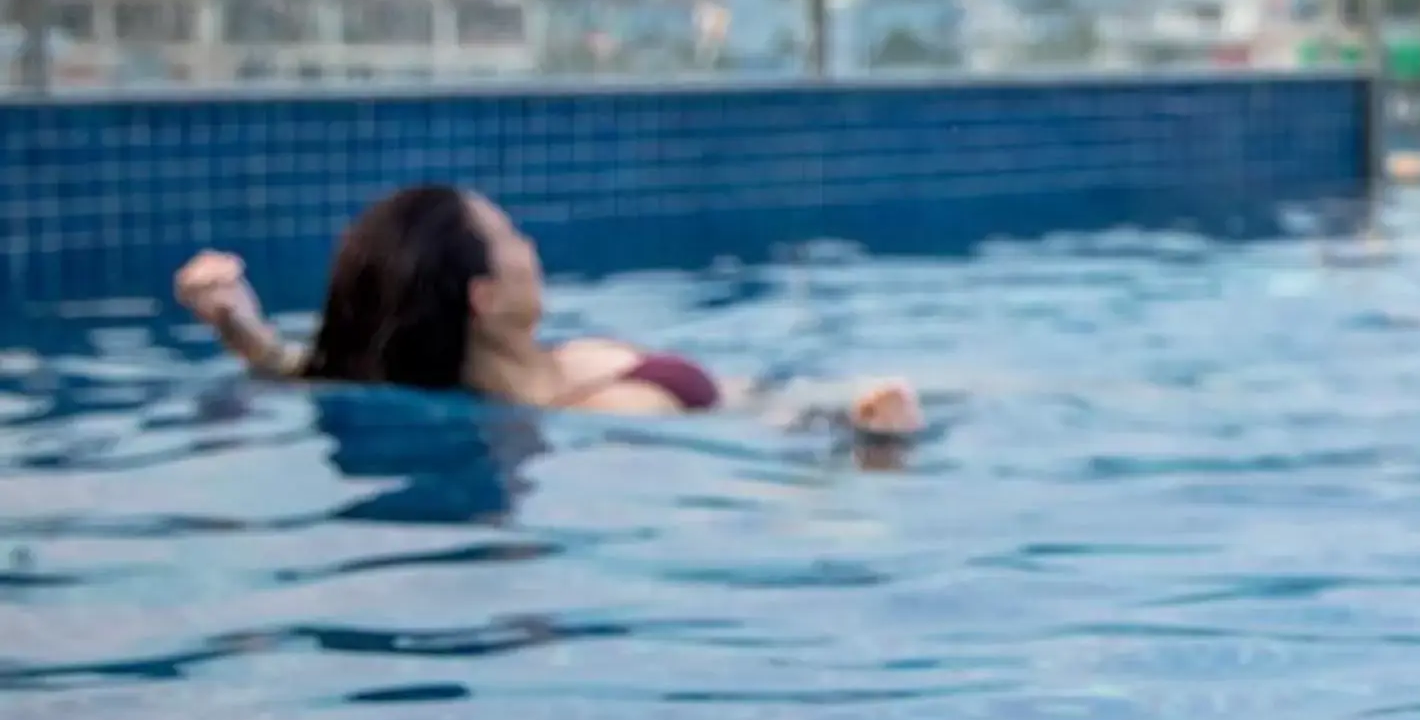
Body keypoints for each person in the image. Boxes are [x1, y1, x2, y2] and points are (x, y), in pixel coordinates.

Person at [175, 185, 922, 435]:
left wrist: (240, 328)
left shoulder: (457, 384)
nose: (529, 244)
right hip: (823, 412)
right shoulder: (613, 412)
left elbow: (316, 371)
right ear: (485, 296)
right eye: (509, 237)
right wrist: (869, 438)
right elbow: (769, 460)